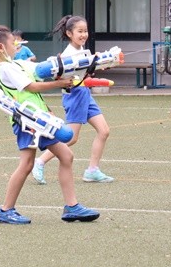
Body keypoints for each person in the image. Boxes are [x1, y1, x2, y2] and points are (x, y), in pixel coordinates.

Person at [0, 24, 99, 224]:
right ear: (1, 47)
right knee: (26, 164)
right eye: (13, 42)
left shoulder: (16, 64)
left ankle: (72, 207)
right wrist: (58, 84)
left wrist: (61, 66)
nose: (16, 45)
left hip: (39, 120)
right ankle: (6, 210)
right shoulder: (5, 68)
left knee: (66, 156)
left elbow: (38, 73)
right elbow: (31, 86)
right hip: (27, 122)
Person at [32, 15, 114, 184]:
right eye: (80, 31)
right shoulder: (70, 54)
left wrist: (97, 62)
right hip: (75, 95)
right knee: (70, 138)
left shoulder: (83, 51)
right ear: (69, 33)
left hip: (84, 93)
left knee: (104, 130)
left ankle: (92, 170)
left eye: (85, 31)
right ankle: (39, 162)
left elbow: (85, 72)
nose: (84, 34)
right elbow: (65, 76)